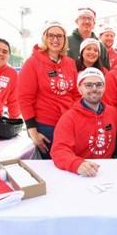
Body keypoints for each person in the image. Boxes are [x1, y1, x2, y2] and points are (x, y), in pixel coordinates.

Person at [19, 21, 80, 159]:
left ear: (65, 39)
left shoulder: (70, 63)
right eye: (51, 35)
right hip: (46, 126)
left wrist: (75, 117)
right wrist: (32, 132)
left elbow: (76, 94)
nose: (55, 39)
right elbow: (24, 99)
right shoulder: (32, 63)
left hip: (69, 124)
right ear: (44, 38)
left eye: (60, 36)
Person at [51, 68, 117, 176]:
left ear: (104, 87)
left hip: (108, 170)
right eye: (89, 85)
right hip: (81, 172)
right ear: (79, 89)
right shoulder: (68, 118)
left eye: (99, 84)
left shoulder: (111, 112)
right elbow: (59, 150)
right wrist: (76, 164)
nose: (94, 89)